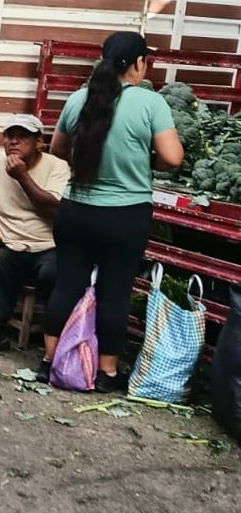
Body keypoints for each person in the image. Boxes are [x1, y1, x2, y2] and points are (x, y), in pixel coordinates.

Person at [38, 32, 182, 391]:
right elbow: (172, 158)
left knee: (66, 285)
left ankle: (48, 362)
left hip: (75, 211)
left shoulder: (78, 100)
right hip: (124, 215)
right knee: (113, 293)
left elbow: (57, 149)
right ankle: (106, 374)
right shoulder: (151, 104)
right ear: (138, 63)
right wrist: (143, 160)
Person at [0, 114, 70, 353]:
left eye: (22, 138)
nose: (13, 142)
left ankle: (55, 335)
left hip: (48, 245)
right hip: (12, 245)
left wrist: (22, 176)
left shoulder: (57, 167)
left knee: (53, 273)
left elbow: (53, 208)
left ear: (39, 143)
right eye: (9, 137)